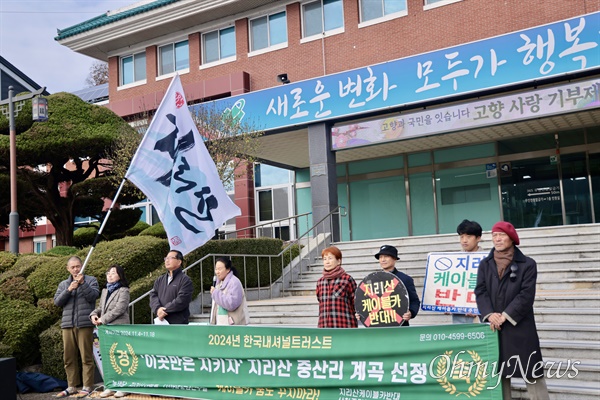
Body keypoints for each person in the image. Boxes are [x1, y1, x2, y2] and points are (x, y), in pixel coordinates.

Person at [475, 221, 550, 400]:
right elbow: (480, 291)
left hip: (520, 326)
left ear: (511, 239)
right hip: (494, 327)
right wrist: (490, 314)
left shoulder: (528, 264)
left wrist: (505, 316)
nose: (497, 239)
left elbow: (526, 295)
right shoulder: (485, 264)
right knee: (500, 374)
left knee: (531, 371)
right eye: (494, 235)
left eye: (501, 235)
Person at [54, 256, 100, 398]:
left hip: (85, 324)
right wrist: (69, 289)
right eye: (73, 267)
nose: (76, 269)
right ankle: (71, 386)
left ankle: (87, 385)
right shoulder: (63, 284)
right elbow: (57, 302)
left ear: (82, 266)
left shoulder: (91, 280)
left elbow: (93, 296)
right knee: (68, 357)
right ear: (68, 269)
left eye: (78, 266)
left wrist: (83, 284)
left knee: (86, 357)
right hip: (67, 325)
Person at [90, 264, 130, 398]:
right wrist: (94, 315)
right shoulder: (105, 290)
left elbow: (119, 309)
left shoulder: (124, 290)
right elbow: (101, 307)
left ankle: (123, 386)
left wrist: (102, 319)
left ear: (120, 275)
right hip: (106, 330)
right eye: (108, 273)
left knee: (121, 357)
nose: (110, 275)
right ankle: (110, 385)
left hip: (119, 328)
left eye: (113, 273)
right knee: (108, 358)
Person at [374, 245, 420, 326]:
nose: (383, 260)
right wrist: (361, 314)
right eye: (380, 257)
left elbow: (414, 301)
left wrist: (411, 312)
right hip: (378, 327)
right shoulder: (373, 280)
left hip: (400, 326)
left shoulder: (405, 279)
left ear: (395, 259)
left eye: (386, 256)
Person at [316, 246, 358, 328]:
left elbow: (355, 302)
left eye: (330, 258)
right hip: (324, 326)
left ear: (339, 261)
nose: (327, 262)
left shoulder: (347, 279)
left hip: (344, 326)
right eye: (325, 259)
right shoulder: (320, 282)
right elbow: (320, 302)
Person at [150, 250, 194, 324]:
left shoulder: (185, 280)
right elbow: (153, 295)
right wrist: (157, 309)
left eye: (170, 258)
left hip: (178, 324)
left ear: (179, 262)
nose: (167, 260)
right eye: (166, 258)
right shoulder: (160, 280)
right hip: (161, 322)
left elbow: (181, 300)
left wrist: (164, 310)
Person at [452, 219, 483, 324]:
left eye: (468, 237)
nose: (464, 240)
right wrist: (446, 305)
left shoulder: (487, 260)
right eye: (461, 237)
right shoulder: (454, 260)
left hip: (482, 314)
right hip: (458, 315)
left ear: (478, 238)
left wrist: (477, 308)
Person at [210, 257, 249, 325]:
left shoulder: (234, 282)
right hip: (221, 325)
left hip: (234, 327)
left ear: (228, 269)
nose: (217, 272)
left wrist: (216, 293)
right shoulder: (218, 284)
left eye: (220, 269)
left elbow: (232, 304)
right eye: (216, 269)